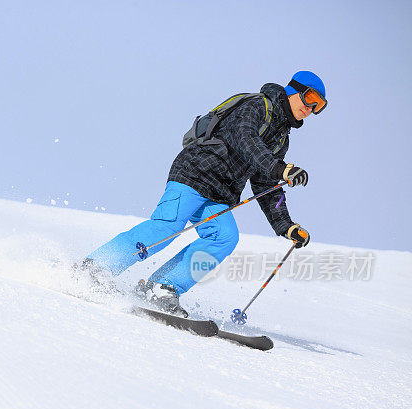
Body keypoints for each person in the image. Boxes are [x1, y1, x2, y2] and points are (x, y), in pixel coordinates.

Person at [82, 71, 326, 317]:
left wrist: (286, 225)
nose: (312, 108)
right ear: (293, 90)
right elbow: (244, 139)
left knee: (224, 237)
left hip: (220, 193)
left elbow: (266, 184)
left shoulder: (281, 139)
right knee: (167, 226)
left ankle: (163, 286)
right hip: (194, 173)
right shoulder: (257, 106)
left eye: (319, 106)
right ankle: (97, 267)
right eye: (311, 98)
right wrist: (279, 168)